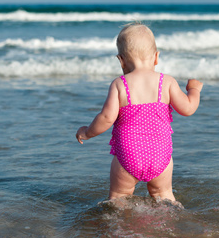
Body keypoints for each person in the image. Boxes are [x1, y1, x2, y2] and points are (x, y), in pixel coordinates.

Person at [76, 22, 203, 202]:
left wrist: (87, 132)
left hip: (129, 155)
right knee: (164, 196)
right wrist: (194, 90)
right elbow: (188, 108)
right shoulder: (166, 82)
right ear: (156, 57)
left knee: (119, 198)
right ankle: (174, 225)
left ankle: (119, 228)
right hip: (161, 156)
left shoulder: (120, 84)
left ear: (121, 60)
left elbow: (106, 118)